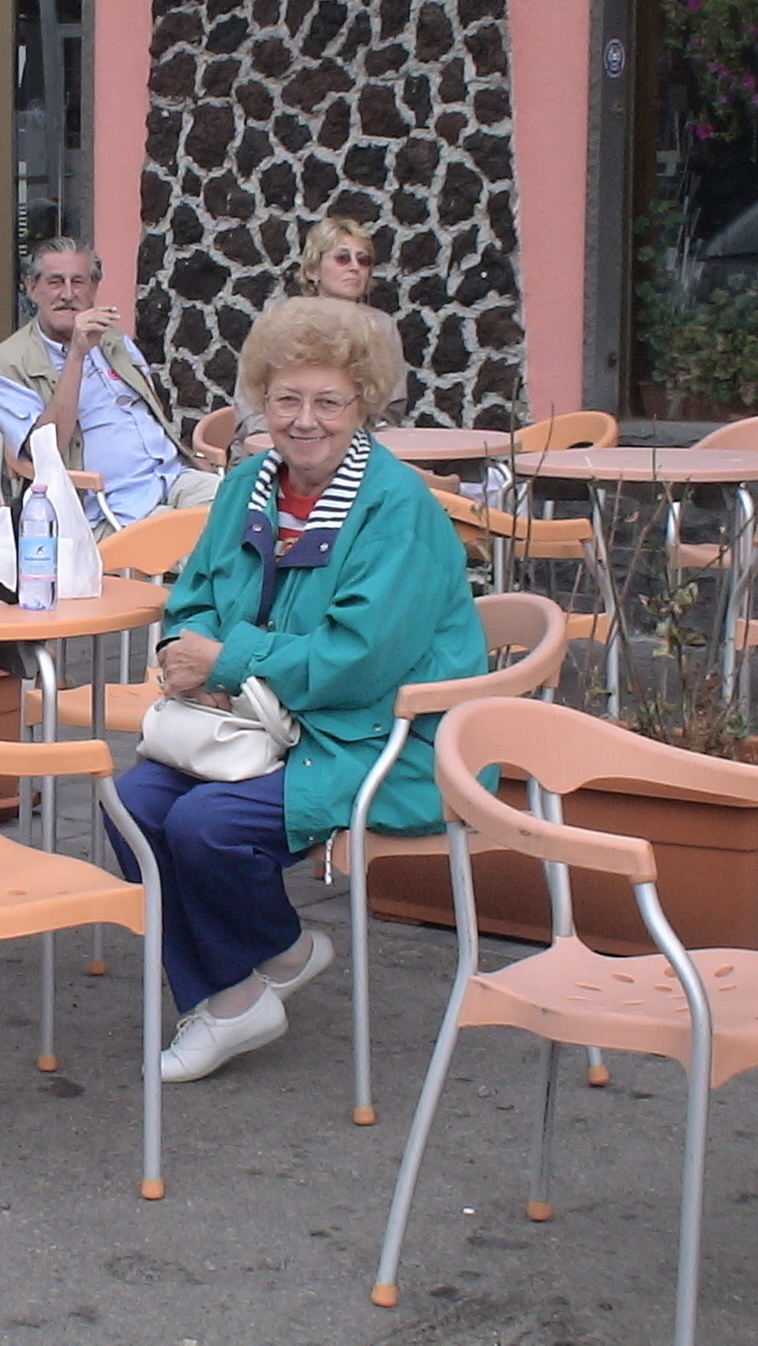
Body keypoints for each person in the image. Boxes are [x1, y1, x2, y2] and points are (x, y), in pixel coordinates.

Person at [110, 295, 485, 1083]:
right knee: (132, 806)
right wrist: (185, 653)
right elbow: (194, 597)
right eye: (286, 399)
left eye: (328, 402)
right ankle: (253, 975)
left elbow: (361, 661)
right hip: (256, 724)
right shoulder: (248, 484)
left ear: (364, 405)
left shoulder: (398, 509)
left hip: (374, 735)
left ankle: (236, 990)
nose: (304, 420)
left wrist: (226, 663)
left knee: (206, 826)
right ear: (262, 400)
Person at [0, 238, 218, 533]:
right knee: (198, 538)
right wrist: (76, 355)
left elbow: (149, 411)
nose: (67, 294)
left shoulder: (112, 337)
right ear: (32, 287)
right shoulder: (1, 368)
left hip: (171, 476)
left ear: (94, 288)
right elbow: (46, 450)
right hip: (108, 508)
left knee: (246, 509)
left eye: (78, 282)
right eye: (55, 282)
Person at [297, 216, 377, 303]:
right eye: (342, 258)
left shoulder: (378, 313)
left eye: (363, 260)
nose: (356, 267)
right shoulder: (292, 311)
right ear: (313, 270)